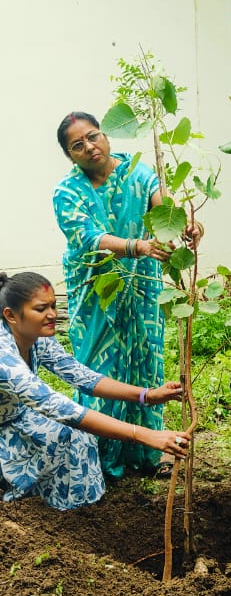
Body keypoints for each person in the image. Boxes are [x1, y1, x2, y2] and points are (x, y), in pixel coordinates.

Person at [0, 271, 191, 511]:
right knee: (64, 432)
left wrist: (147, 395)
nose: (52, 315)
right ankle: (23, 509)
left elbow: (82, 376)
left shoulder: (36, 336)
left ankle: (79, 513)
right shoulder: (3, 356)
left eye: (53, 306)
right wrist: (145, 434)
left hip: (16, 416)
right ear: (11, 315)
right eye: (40, 309)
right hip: (6, 426)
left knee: (78, 436)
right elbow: (56, 406)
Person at [53, 111, 173, 479]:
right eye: (78, 145)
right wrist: (136, 246)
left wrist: (185, 226)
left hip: (142, 283)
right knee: (96, 365)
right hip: (94, 290)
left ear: (105, 136)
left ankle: (149, 451)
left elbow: (163, 209)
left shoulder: (139, 173)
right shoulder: (67, 192)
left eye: (94, 136)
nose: (90, 147)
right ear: (70, 155)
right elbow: (88, 239)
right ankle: (98, 454)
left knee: (146, 355)